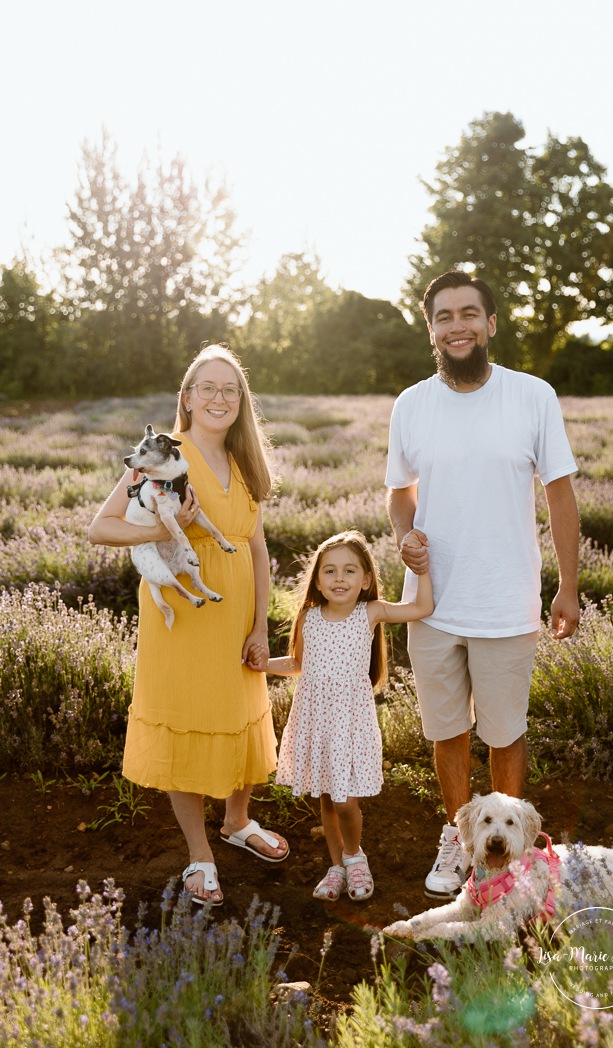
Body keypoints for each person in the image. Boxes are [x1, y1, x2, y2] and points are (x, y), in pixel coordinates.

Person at [385, 270, 579, 900]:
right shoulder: (411, 403)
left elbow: (560, 495)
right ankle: (457, 835)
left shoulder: (532, 396)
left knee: (504, 735)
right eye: (444, 316)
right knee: (446, 733)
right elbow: (400, 496)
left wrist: (567, 587)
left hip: (507, 600)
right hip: (433, 602)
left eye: (470, 313)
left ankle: (510, 855)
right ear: (432, 328)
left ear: (491, 324)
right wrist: (404, 536)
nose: (457, 325)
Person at [88, 344, 288, 906]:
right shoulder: (162, 458)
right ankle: (201, 854)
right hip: (182, 624)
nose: (219, 398)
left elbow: (256, 546)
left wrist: (261, 625)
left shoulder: (246, 462)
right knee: (188, 720)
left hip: (236, 616)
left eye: (231, 389)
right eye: (208, 387)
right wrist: (158, 532)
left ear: (241, 401)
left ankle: (239, 824)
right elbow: (101, 528)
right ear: (188, 397)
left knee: (242, 717)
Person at [267, 529, 433, 902]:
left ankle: (355, 856)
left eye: (349, 571)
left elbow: (422, 609)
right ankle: (336, 866)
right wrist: (262, 664)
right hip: (315, 719)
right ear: (318, 581)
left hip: (349, 722)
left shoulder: (369, 613)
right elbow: (297, 663)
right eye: (329, 571)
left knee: (345, 801)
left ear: (366, 580)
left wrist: (422, 569)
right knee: (326, 799)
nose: (339, 579)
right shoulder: (308, 617)